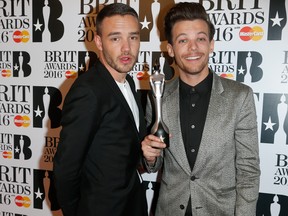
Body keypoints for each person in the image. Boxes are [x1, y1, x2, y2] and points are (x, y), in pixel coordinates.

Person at [142, 2, 260, 216]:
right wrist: (150, 157)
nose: (193, 48)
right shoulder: (157, 96)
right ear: (170, 49)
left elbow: (248, 171)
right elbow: (154, 164)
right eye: (183, 40)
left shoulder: (240, 96)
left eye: (200, 39)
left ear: (211, 44)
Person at [53, 3, 148, 216]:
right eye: (115, 38)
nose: (126, 48)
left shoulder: (130, 83)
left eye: (133, 37)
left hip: (133, 205)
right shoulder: (88, 91)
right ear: (99, 42)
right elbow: (66, 169)